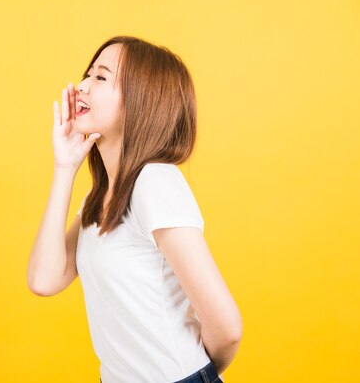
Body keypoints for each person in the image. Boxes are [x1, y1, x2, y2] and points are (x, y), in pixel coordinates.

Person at [26, 35, 242, 383]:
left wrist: (195, 377)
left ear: (141, 101)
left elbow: (227, 328)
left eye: (100, 77)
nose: (80, 86)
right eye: (87, 74)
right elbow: (43, 280)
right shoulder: (99, 200)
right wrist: (64, 167)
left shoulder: (155, 182)